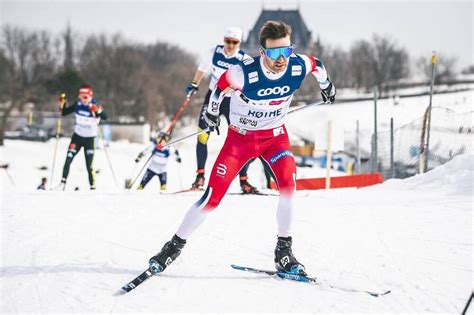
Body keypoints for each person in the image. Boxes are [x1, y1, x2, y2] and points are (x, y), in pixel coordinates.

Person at [147, 21, 336, 276]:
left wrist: (327, 87)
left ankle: (284, 252)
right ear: (262, 52)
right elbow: (217, 90)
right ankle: (172, 247)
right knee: (211, 199)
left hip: (274, 138)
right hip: (240, 141)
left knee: (289, 186)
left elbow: (318, 66)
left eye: (286, 52)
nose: (281, 59)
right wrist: (212, 113)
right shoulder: (242, 73)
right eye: (273, 53)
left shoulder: (298, 65)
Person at [186, 26, 260, 194]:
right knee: (202, 135)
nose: (231, 45)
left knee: (242, 140)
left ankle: (244, 181)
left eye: (235, 42)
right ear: (224, 40)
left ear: (239, 43)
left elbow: (253, 82)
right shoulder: (213, 52)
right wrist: (194, 85)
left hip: (233, 101)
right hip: (213, 97)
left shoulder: (244, 59)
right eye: (228, 41)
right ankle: (200, 176)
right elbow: (202, 68)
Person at [59, 85, 107, 190]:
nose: (83, 99)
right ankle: (62, 183)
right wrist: (63, 103)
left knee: (89, 166)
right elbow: (64, 113)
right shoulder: (78, 104)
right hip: (77, 137)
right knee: (68, 159)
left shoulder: (94, 106)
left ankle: (92, 187)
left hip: (90, 139)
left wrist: (98, 111)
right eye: (81, 96)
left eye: (86, 97)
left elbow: (105, 116)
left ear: (90, 97)